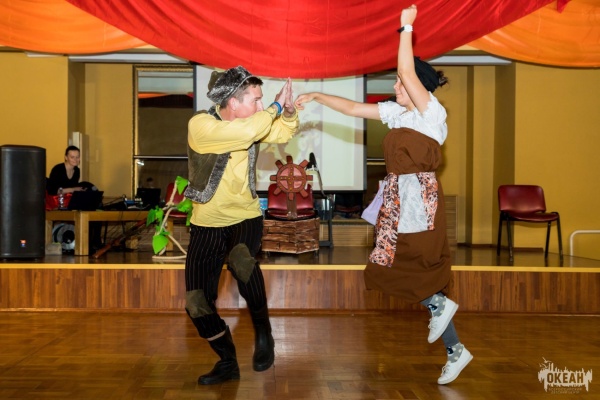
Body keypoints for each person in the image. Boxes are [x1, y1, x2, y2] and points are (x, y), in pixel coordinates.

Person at [295, 4, 472, 385]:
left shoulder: (431, 114)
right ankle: (454, 345)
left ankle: (445, 322)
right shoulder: (398, 114)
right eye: (396, 83)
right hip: (396, 198)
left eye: (399, 84)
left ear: (417, 87)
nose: (395, 86)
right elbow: (353, 107)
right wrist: (317, 95)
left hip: (419, 198)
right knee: (383, 269)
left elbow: (407, 71)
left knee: (418, 263)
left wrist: (406, 28)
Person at [183, 66, 299, 385]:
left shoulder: (252, 123)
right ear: (233, 103)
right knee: (196, 302)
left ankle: (263, 331)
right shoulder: (201, 125)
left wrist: (288, 113)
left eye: (263, 100)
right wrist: (275, 106)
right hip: (207, 222)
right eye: (255, 100)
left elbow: (282, 132)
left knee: (242, 262)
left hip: (246, 216)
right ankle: (227, 360)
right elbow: (246, 133)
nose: (261, 106)